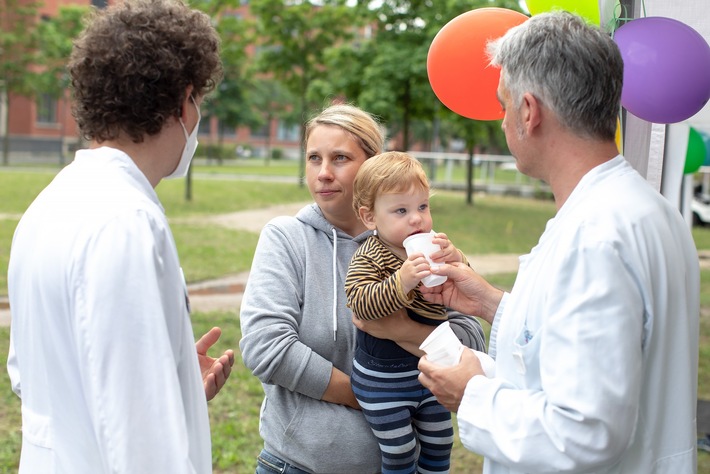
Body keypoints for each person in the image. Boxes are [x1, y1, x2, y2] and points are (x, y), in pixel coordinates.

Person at [417, 11, 700, 473]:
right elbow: (589, 346)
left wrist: (473, 394)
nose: (503, 123)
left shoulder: (595, 235)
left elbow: (584, 430)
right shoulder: (645, 209)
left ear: (529, 112)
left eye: (503, 104)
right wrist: (493, 305)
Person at [6, 0, 233, 472]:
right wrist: (155, 387)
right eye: (197, 102)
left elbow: (32, 372)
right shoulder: (125, 222)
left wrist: (171, 379)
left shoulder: (50, 203)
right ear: (181, 100)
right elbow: (141, 437)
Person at [239, 104, 486, 474]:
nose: (323, 173)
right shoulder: (287, 238)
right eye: (313, 158)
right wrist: (369, 397)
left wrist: (402, 330)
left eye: (339, 158)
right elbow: (266, 347)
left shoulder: (417, 242)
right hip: (298, 466)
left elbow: (471, 343)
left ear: (373, 166)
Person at [345, 151, 468, 473]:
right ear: (370, 217)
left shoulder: (434, 246)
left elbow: (465, 286)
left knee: (441, 443)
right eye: (401, 210)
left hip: (429, 373)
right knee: (400, 450)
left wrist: (457, 260)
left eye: (422, 207)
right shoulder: (369, 256)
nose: (417, 219)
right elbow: (360, 302)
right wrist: (401, 281)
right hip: (382, 379)